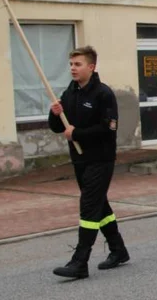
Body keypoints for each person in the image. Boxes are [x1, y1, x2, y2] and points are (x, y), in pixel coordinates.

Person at [50, 46, 130, 278]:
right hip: (79, 159)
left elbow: (108, 129)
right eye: (71, 65)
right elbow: (59, 128)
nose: (73, 69)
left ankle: (80, 261)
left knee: (88, 206)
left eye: (78, 64)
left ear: (91, 67)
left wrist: (78, 134)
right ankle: (118, 250)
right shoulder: (70, 92)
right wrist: (54, 114)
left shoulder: (103, 94)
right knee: (99, 206)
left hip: (101, 159)